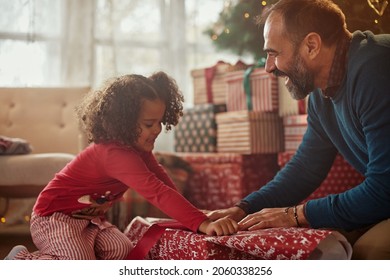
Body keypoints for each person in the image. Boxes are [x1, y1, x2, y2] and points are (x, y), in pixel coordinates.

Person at [207, 0, 390, 260]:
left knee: (367, 252)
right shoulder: (321, 93)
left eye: (273, 53)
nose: (269, 66)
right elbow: (305, 169)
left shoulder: (375, 69)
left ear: (311, 46)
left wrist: (296, 214)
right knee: (321, 246)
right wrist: (244, 208)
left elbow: (384, 189)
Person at [5, 72, 238, 260]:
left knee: (122, 250)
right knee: (77, 262)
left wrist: (195, 217)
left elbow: (161, 180)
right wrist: (202, 223)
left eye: (159, 122)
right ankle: (21, 262)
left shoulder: (138, 149)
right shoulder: (114, 154)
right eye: (149, 124)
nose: (157, 130)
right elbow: (156, 192)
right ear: (123, 122)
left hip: (90, 220)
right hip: (53, 217)